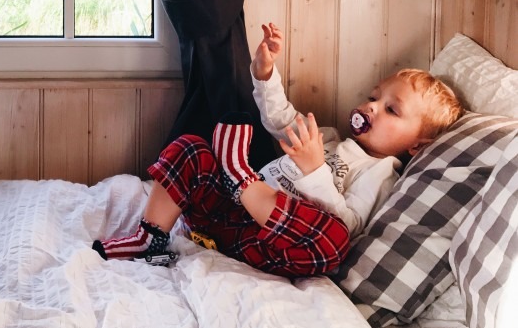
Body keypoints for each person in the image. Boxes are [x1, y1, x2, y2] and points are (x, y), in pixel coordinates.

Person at [92, 22, 463, 277]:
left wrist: (316, 171)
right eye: (373, 97)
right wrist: (264, 73)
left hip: (267, 243)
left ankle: (239, 174)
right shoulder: (331, 137)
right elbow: (279, 119)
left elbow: (347, 225)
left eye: (391, 109)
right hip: (227, 218)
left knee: (333, 243)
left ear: (417, 144)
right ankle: (150, 238)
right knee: (190, 147)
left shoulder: (381, 174)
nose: (371, 108)